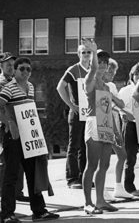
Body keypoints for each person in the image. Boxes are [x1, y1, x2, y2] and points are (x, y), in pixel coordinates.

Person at [0, 57, 59, 223]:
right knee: (11, 175)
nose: (25, 72)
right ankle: (7, 214)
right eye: (22, 69)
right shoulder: (9, 88)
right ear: (15, 70)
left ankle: (39, 211)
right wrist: (10, 123)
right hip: (13, 136)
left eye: (28, 69)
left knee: (33, 173)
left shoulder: (31, 87)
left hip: (30, 137)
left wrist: (37, 134)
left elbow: (30, 111)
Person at [82, 42, 118, 215]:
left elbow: (110, 108)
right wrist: (94, 53)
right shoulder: (89, 79)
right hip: (93, 123)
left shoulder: (106, 86)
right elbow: (94, 68)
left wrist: (116, 130)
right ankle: (88, 203)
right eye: (99, 60)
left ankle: (100, 201)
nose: (102, 63)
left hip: (106, 124)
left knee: (105, 164)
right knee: (92, 164)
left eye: (105, 60)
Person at [56, 44, 91, 189]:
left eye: (89, 52)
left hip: (89, 114)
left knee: (86, 146)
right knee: (74, 145)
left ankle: (84, 176)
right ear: (78, 54)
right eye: (83, 52)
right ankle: (72, 178)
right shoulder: (73, 69)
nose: (86, 54)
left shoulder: (92, 70)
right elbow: (60, 87)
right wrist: (72, 106)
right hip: (77, 113)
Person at [102, 58, 134, 200]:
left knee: (122, 155)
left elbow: (119, 104)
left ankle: (118, 187)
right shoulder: (100, 85)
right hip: (104, 122)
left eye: (114, 71)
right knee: (103, 158)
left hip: (114, 119)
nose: (112, 74)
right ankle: (102, 190)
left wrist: (123, 112)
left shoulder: (111, 86)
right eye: (110, 71)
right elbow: (111, 105)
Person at [0, 52, 28, 202]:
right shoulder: (1, 83)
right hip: (4, 126)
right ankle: (5, 194)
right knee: (6, 161)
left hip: (21, 125)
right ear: (1, 66)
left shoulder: (18, 82)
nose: (11, 67)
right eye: (8, 65)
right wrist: (8, 122)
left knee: (20, 159)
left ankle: (18, 192)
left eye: (13, 65)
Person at [118, 62, 139, 196]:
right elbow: (120, 108)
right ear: (131, 75)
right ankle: (129, 187)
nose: (138, 76)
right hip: (130, 125)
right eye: (136, 74)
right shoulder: (125, 90)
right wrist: (125, 116)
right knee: (130, 157)